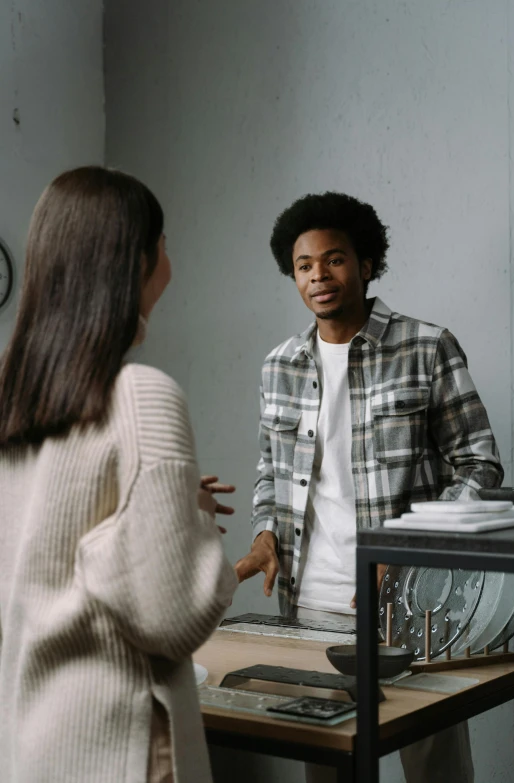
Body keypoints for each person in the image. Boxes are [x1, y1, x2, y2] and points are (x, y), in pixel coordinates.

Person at [235, 191, 503, 783]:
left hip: (411, 610)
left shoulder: (425, 347)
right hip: (312, 608)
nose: (318, 277)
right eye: (304, 266)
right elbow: (269, 470)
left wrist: (405, 555)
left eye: (333, 260)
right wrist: (263, 535)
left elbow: (479, 465)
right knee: (330, 766)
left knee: (435, 767)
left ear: (366, 264)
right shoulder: (279, 364)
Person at [0, 166, 237, 783]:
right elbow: (171, 616)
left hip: (27, 740)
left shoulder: (13, 397)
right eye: (165, 242)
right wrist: (196, 523)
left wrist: (154, 513)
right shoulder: (140, 394)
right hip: (121, 740)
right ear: (140, 259)